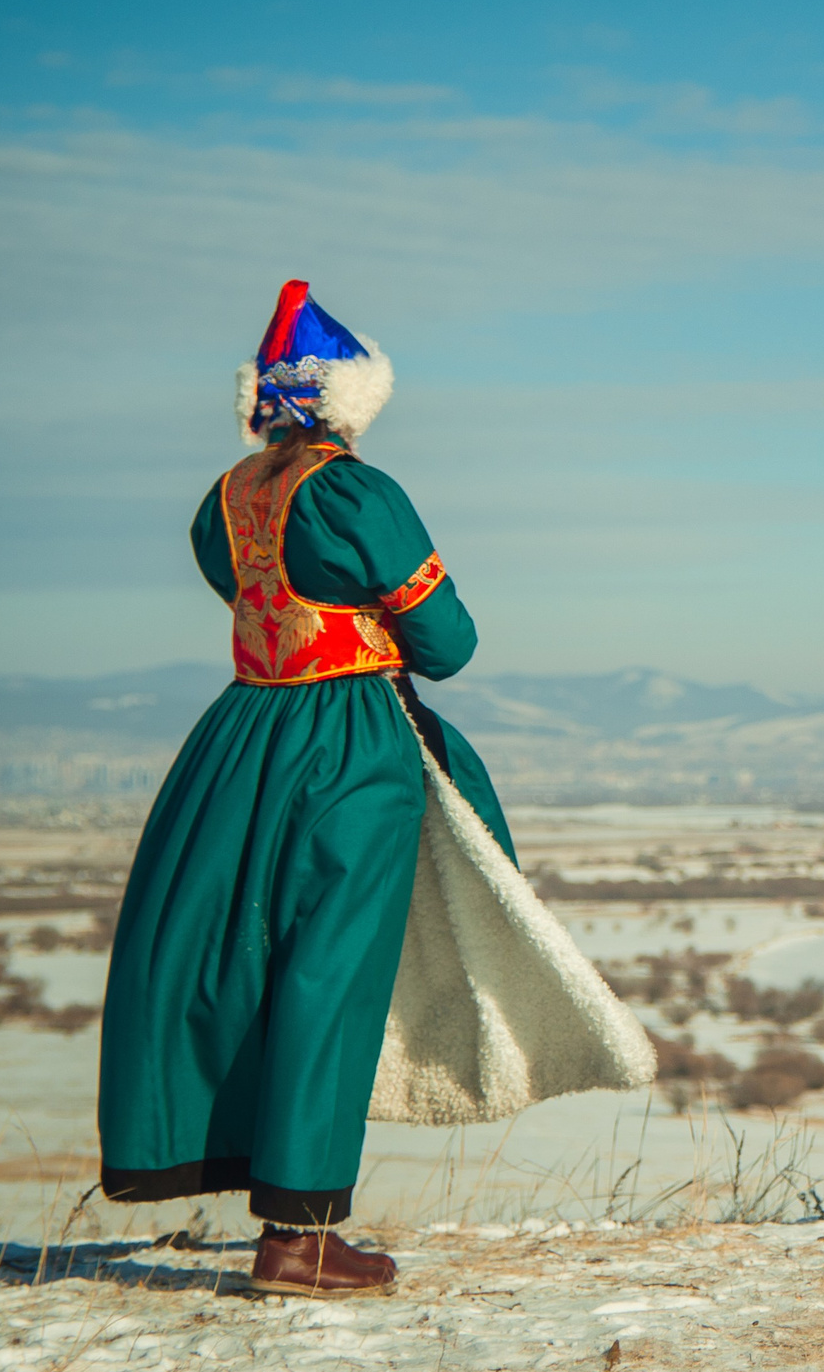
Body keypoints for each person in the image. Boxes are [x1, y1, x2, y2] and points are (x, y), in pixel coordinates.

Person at [99, 281, 651, 1298]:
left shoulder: (224, 498)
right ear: (350, 401)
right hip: (349, 739)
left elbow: (247, 593)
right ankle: (299, 1234)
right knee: (332, 968)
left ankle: (264, 1198)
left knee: (242, 953)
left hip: (238, 733)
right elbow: (449, 641)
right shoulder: (357, 493)